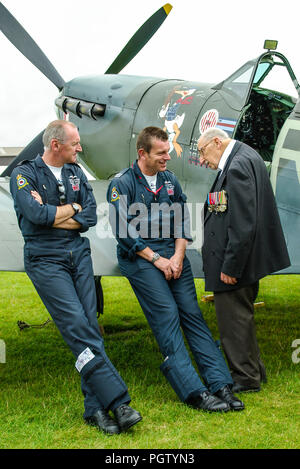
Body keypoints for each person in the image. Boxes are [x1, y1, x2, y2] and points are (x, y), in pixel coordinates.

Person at [10, 120, 142, 435]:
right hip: (45, 258)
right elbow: (36, 217)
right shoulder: (24, 174)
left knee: (89, 328)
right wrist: (73, 208)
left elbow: (89, 216)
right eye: (75, 143)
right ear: (56, 145)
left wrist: (61, 213)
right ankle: (119, 402)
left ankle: (94, 408)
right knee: (77, 328)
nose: (80, 148)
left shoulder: (75, 172)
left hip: (78, 255)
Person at [107, 126, 244, 412]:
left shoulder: (170, 181)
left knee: (192, 314)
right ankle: (194, 391)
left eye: (168, 151)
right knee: (167, 316)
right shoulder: (121, 184)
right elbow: (123, 231)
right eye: (161, 153)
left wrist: (179, 257)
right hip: (140, 257)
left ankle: (220, 384)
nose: (167, 157)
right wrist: (158, 259)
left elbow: (182, 220)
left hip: (173, 254)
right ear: (142, 153)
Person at [198, 127, 291, 393]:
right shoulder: (246, 156)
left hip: (234, 264)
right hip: (243, 260)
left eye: (203, 152)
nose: (202, 160)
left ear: (217, 142)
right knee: (243, 318)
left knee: (233, 322)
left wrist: (231, 266)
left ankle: (245, 379)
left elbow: (242, 224)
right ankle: (254, 371)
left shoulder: (237, 166)